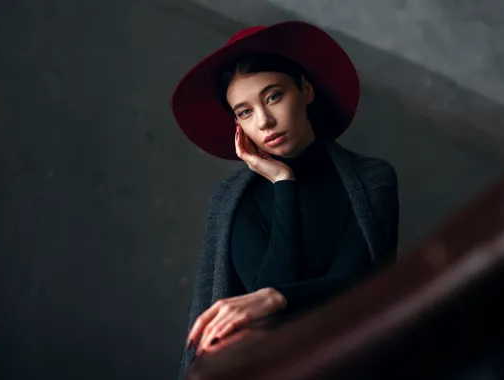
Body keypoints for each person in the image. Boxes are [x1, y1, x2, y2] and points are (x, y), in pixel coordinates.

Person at [171, 21, 399, 378]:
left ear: (305, 90)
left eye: (273, 96)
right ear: (238, 125)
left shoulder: (372, 180)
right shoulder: (233, 202)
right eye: (245, 112)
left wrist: (277, 298)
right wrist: (282, 182)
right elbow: (269, 313)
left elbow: (354, 287)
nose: (264, 121)